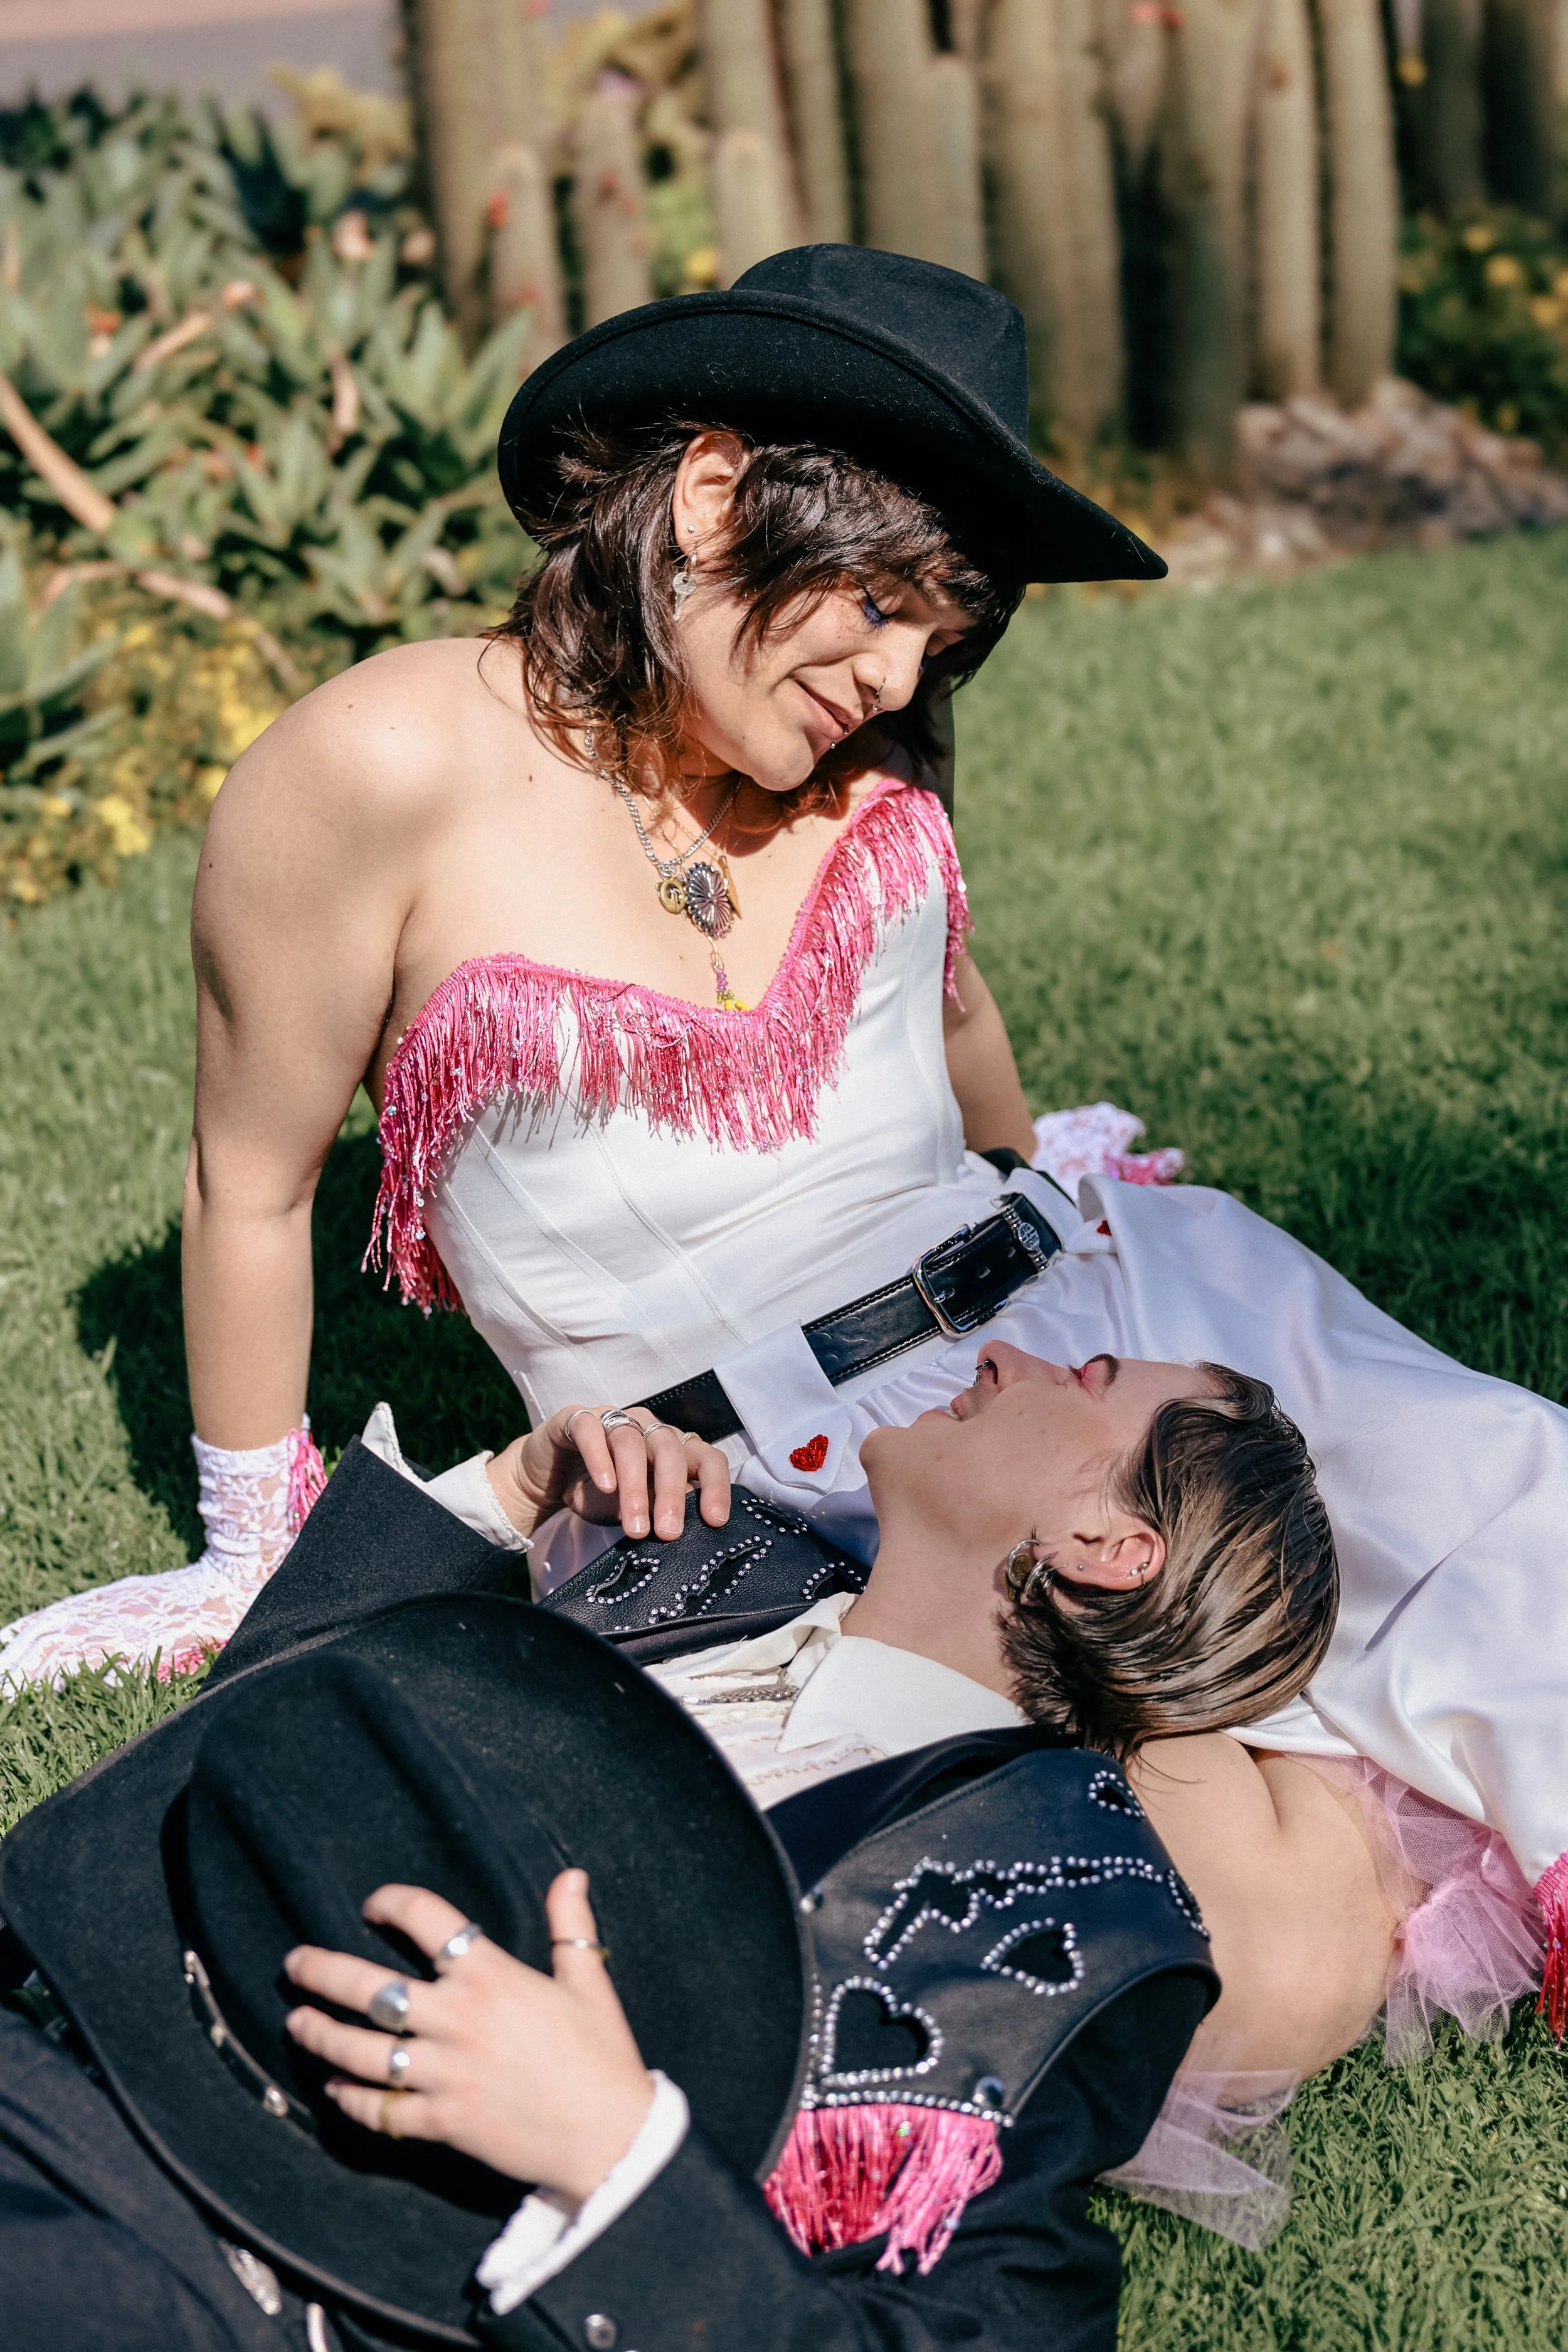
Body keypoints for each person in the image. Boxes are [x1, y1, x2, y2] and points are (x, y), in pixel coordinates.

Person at [0, 242, 1165, 1692]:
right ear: (713, 496)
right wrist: (254, 1551)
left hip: (1073, 1338)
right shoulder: (378, 765)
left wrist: (1039, 1183)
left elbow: (945, 996)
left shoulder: (858, 733)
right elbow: (251, 1179)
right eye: (881, 605)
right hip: (722, 1484)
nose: (896, 684)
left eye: (940, 639)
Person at [0, 1371, 1246, 2349]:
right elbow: (269, 1756)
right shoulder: (697, 1554)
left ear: (1109, 1544)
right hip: (66, 2055)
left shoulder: (1055, 1919)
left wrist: (613, 2154)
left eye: (1083, 1377)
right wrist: (505, 1494)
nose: (1000, 1354)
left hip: (254, 2290)